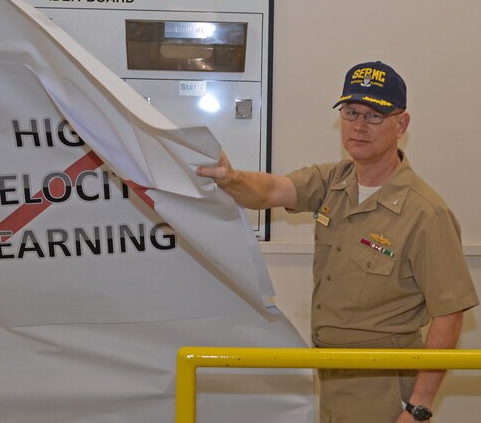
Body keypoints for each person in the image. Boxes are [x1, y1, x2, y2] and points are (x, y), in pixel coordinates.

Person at [196, 61, 479, 423]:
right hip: (331, 369)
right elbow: (271, 190)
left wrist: (418, 408)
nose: (359, 126)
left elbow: (449, 313)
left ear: (401, 124)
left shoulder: (425, 212)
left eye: (374, 115)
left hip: (382, 378)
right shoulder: (334, 180)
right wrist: (230, 178)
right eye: (351, 112)